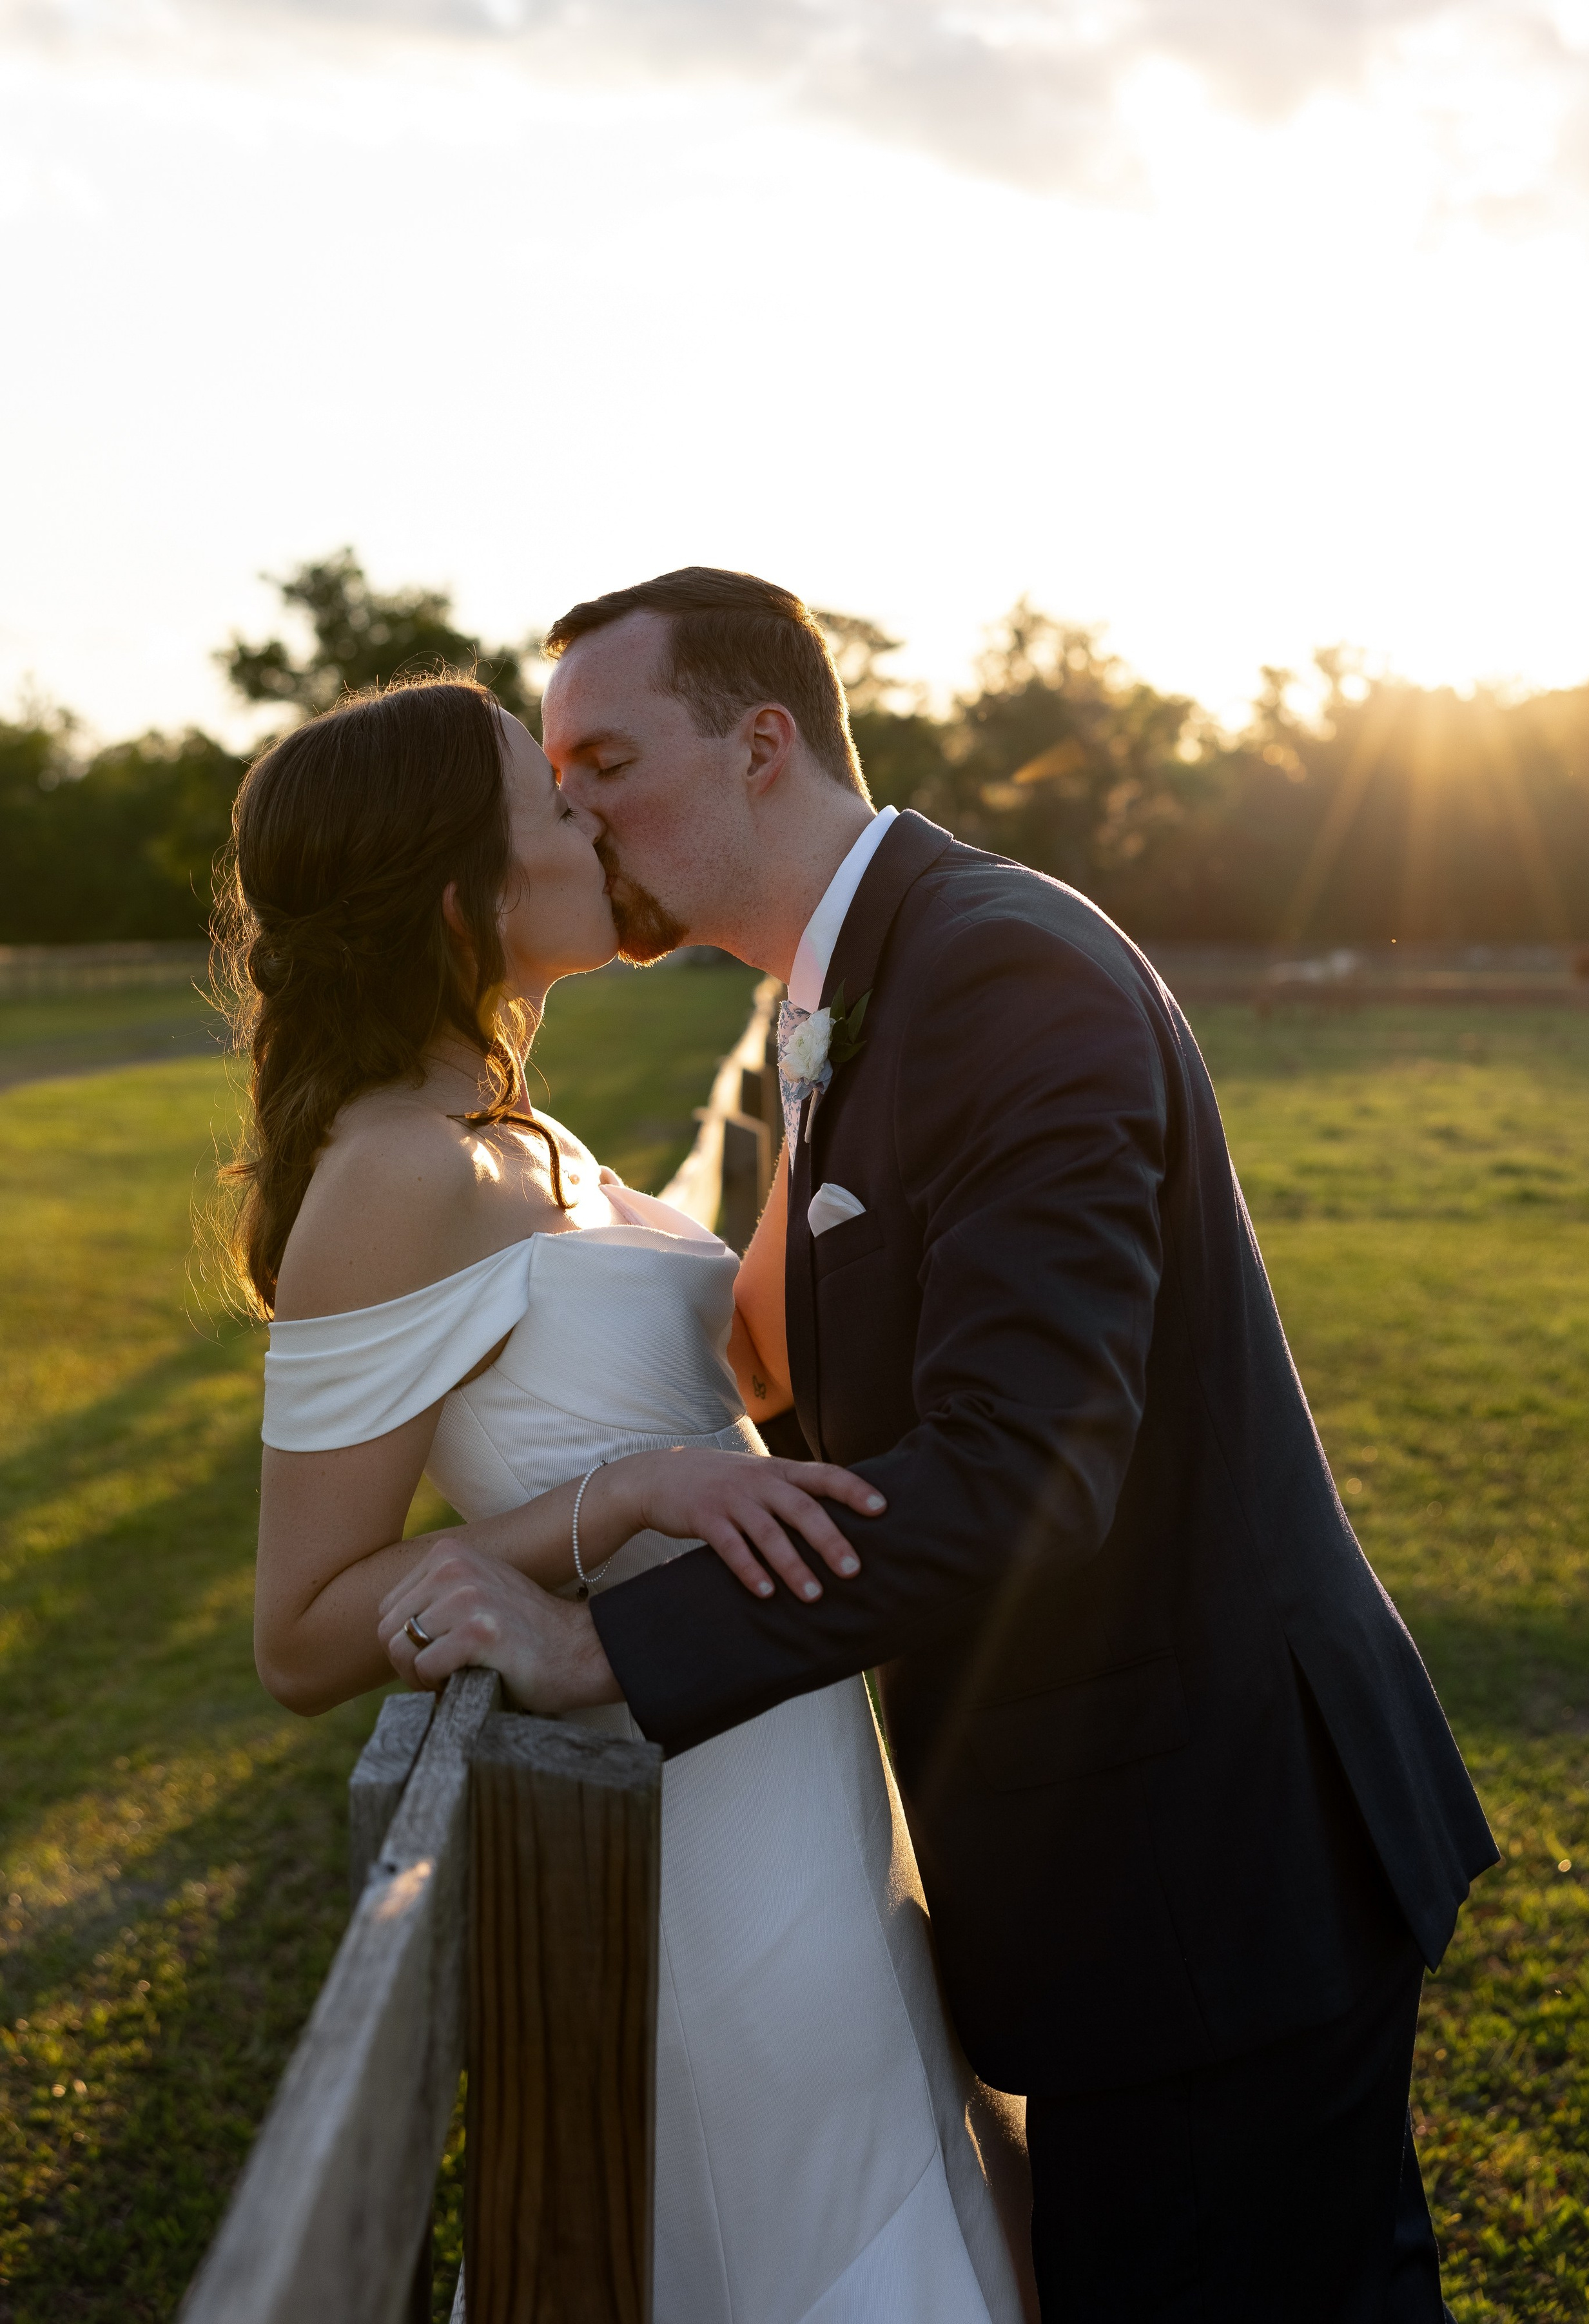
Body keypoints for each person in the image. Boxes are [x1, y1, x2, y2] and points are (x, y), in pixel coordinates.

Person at [404, 568, 1500, 2321]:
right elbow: (836, 1353)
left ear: (764, 743)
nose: (573, 802)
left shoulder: (996, 968)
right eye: (561, 768)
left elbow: (1021, 1471)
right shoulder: (839, 986)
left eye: (605, 753)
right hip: (1126, 1861)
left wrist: (595, 1638)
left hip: (1209, 1867)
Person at [226, 675, 1036, 2324]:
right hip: (667, 1800)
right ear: (462, 894)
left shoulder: (526, 1135)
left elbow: (712, 1377)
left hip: (789, 1742)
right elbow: (302, 1636)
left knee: (895, 2163)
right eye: (554, 803)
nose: (593, 819)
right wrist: (618, 1502)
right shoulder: (395, 1172)